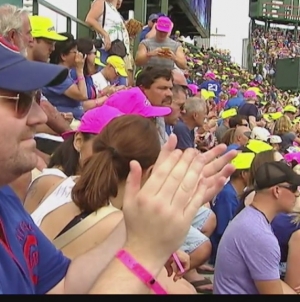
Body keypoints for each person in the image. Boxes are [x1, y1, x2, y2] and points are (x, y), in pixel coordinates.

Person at [0, 38, 237, 293]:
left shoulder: (5, 197)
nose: (40, 116)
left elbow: (63, 283)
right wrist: (146, 250)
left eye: (35, 98)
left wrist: (137, 227)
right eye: (20, 101)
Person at [214, 161, 300, 294]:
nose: (297, 194)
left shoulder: (251, 217)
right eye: (294, 188)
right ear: (277, 191)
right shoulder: (259, 234)